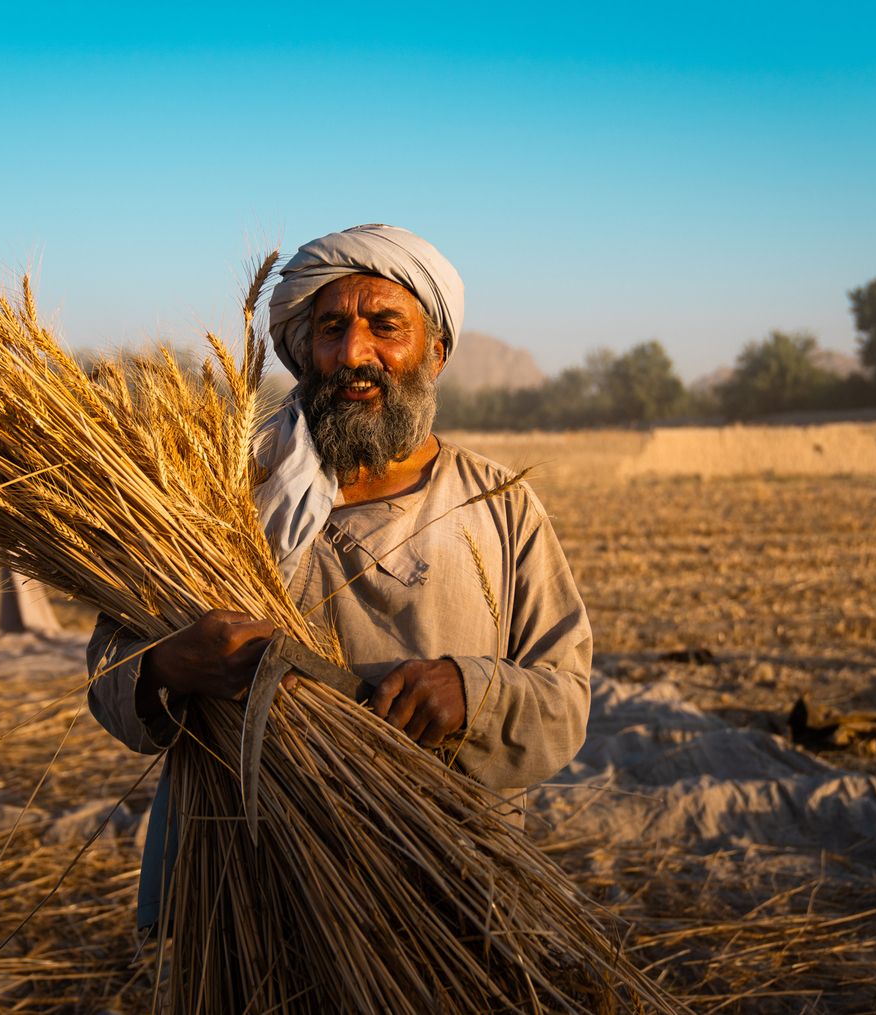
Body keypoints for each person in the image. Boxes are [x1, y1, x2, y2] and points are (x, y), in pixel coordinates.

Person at [87, 224, 592, 926]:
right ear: (303, 350)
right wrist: (172, 663)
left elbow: (565, 698)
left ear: (436, 353)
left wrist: (473, 692)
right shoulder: (223, 487)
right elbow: (109, 663)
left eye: (385, 325)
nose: (354, 353)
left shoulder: (500, 507)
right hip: (251, 893)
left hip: (440, 891)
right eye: (331, 329)